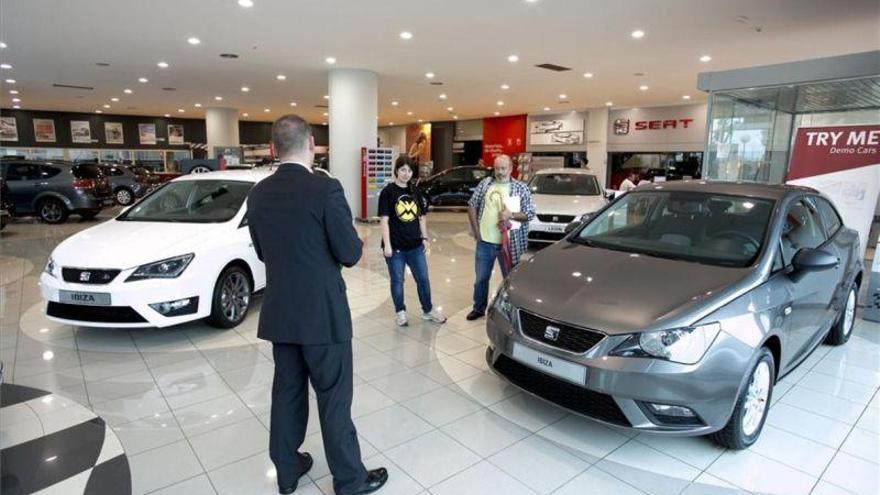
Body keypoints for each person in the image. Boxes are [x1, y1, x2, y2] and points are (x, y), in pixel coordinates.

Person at [247, 114, 388, 495]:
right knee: (334, 399)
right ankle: (350, 480)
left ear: (273, 149)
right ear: (312, 144)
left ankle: (288, 472)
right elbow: (349, 253)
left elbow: (262, 251)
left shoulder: (257, 194)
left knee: (287, 393)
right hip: (323, 317)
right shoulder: (325, 190)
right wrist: (356, 238)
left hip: (280, 314)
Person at [466, 154, 535, 320]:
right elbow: (471, 205)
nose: (500, 172)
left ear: (511, 169)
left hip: (509, 244)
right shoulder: (485, 184)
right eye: (497, 168)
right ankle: (479, 308)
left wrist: (511, 214)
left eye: (503, 168)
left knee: (510, 280)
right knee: (481, 278)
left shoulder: (521, 188)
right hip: (485, 242)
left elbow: (530, 214)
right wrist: (476, 231)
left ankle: (511, 311)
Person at [379, 156, 447, 327]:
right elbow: (384, 220)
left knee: (423, 279)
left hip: (415, 245)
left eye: (409, 170)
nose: (406, 174)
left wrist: (425, 238)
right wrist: (387, 245)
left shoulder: (415, 192)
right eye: (403, 170)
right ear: (396, 170)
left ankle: (427, 310)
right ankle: (400, 311)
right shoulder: (388, 192)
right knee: (397, 281)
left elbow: (421, 218)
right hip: (395, 248)